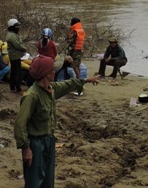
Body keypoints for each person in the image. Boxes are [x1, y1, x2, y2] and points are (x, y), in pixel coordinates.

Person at [14, 55, 100, 188]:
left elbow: (66, 85)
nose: (55, 72)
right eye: (53, 70)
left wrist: (87, 80)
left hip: (49, 140)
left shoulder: (50, 89)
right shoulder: (32, 96)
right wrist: (26, 148)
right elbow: (20, 124)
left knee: (48, 180)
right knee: (34, 181)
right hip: (36, 144)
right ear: (46, 74)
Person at [6, 18, 28, 94]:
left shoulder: (11, 34)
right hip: (15, 56)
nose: (18, 27)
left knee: (14, 72)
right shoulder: (12, 36)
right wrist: (25, 48)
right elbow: (17, 45)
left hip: (14, 55)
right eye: (16, 26)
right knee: (17, 72)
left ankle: (12, 87)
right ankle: (18, 89)